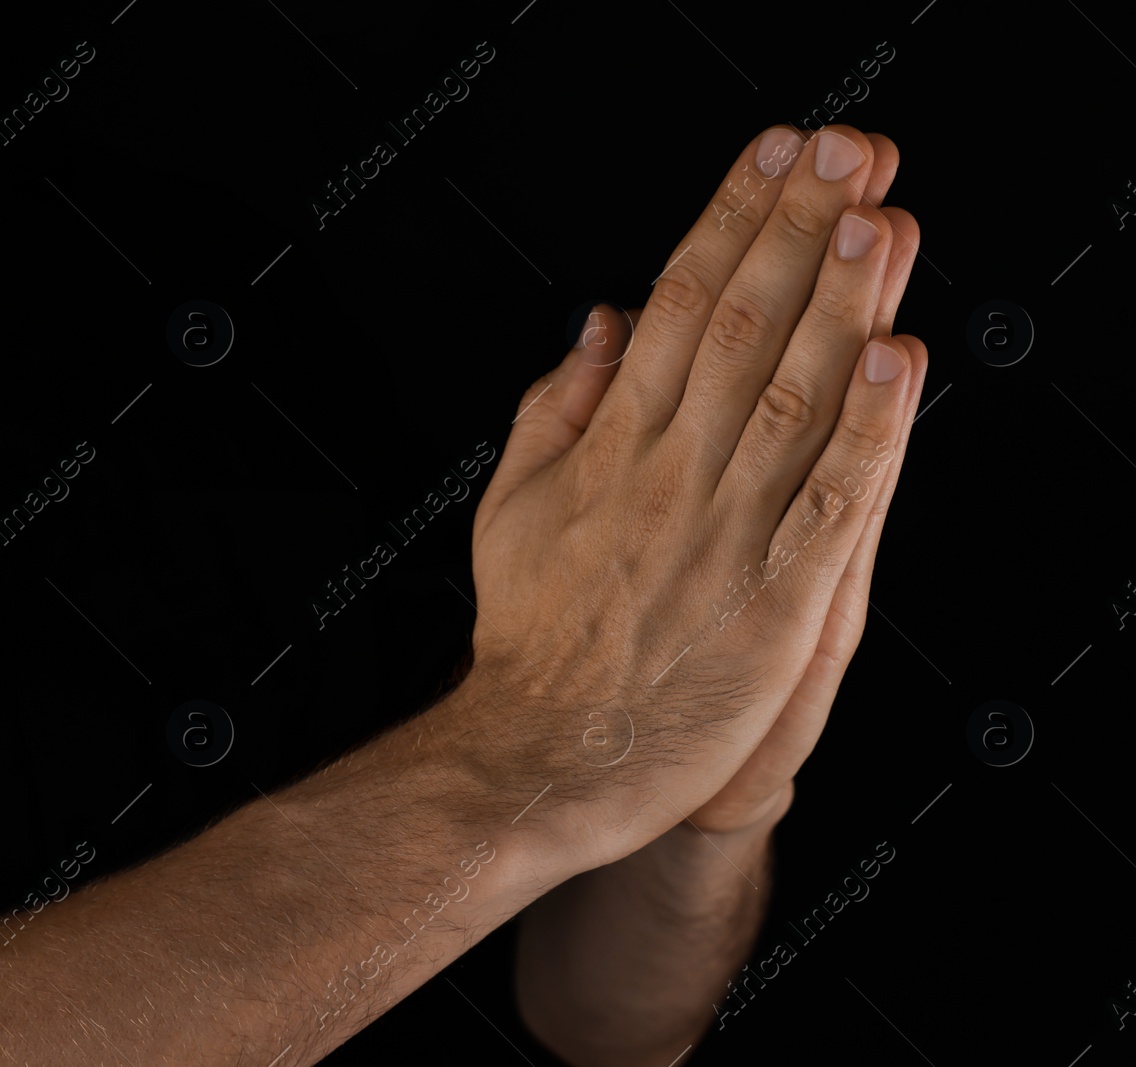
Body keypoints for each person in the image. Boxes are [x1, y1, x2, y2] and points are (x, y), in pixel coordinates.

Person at [0, 121, 927, 1067]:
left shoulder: (165, 274)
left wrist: (703, 808)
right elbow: (508, 769)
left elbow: (599, 1029)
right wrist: (526, 739)